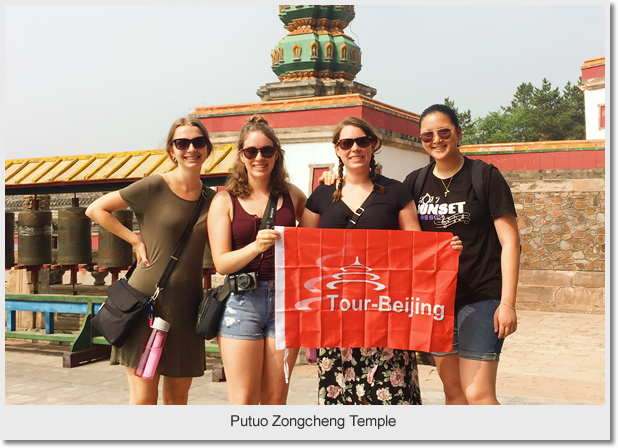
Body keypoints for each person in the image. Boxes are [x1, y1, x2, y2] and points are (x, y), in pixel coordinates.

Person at [300, 117, 462, 405]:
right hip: (337, 314)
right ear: (337, 149)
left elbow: (416, 245)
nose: (355, 148)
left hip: (387, 313)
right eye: (346, 143)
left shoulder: (395, 191)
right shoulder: (323, 194)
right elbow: (302, 249)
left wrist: (443, 250)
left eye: (362, 141)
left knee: (390, 397)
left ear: (373, 144)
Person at [85, 117, 215, 405]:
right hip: (147, 304)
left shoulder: (212, 199)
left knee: (178, 399)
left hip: (187, 307)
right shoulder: (154, 186)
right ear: (172, 150)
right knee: (144, 399)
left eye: (198, 142)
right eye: (182, 143)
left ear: (207, 148)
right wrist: (134, 239)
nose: (191, 149)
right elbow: (96, 209)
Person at [402, 104, 520, 405]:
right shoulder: (415, 182)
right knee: (453, 393)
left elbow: (510, 242)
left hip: (481, 297)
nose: (436, 140)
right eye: (428, 135)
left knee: (478, 394)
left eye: (444, 132)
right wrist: (334, 178)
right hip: (438, 301)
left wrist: (507, 303)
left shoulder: (484, 176)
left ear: (458, 133)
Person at [207, 115, 307, 405]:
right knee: (244, 400)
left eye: (266, 150)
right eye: (251, 151)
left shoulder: (291, 195)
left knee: (276, 399)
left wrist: (330, 182)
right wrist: (255, 247)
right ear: (241, 156)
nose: (259, 157)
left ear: (277, 154)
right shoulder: (225, 201)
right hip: (242, 302)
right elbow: (222, 263)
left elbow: (322, 228)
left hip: (285, 302)